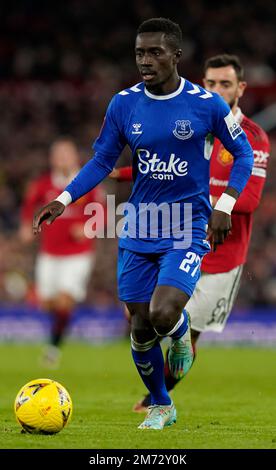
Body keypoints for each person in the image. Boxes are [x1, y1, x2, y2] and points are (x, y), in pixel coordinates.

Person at [33, 19, 254, 429]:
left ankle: (182, 329)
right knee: (138, 323)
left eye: (155, 53)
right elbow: (102, 160)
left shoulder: (206, 104)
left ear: (176, 56)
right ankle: (161, 404)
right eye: (139, 53)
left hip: (187, 225)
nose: (145, 61)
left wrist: (224, 204)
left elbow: (241, 154)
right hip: (140, 226)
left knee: (163, 313)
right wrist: (63, 199)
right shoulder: (123, 103)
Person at [115, 54, 268, 412]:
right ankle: (158, 395)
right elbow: (164, 169)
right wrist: (120, 174)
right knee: (143, 315)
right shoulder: (192, 121)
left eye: (225, 84)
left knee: (187, 332)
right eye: (211, 83)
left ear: (240, 89)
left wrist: (200, 200)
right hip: (177, 239)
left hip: (221, 256)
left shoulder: (253, 138)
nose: (216, 89)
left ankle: (158, 397)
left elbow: (249, 199)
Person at [20, 137, 105, 367]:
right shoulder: (43, 184)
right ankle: (57, 331)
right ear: (52, 159)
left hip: (78, 255)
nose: (62, 159)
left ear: (75, 157)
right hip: (49, 254)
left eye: (66, 154)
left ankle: (53, 348)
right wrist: (26, 226)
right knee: (47, 303)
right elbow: (29, 207)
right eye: (58, 155)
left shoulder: (88, 183)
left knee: (65, 300)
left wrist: (88, 228)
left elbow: (103, 213)